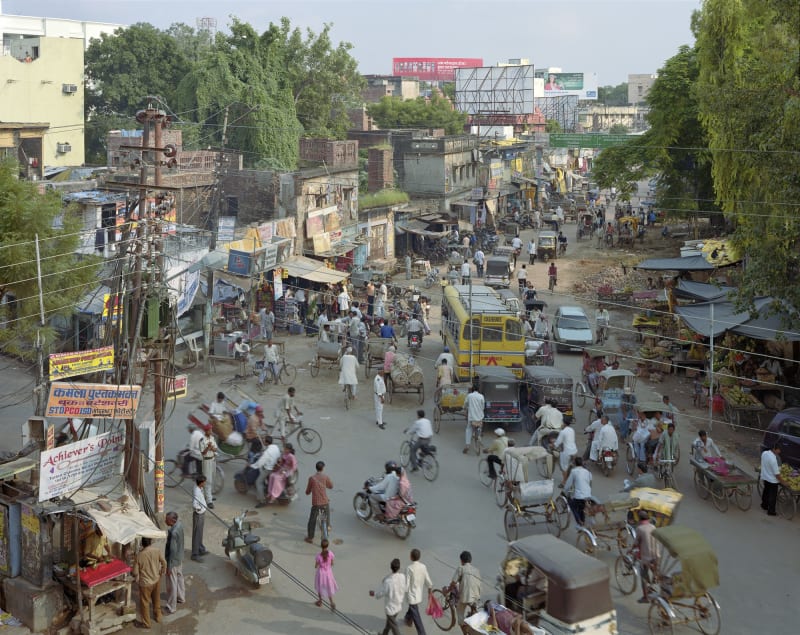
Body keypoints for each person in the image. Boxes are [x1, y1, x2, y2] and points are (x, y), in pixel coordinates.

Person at [133, 537, 166, 629]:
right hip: (156, 580)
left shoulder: (139, 555)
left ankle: (146, 623)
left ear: (142, 544)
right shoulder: (157, 550)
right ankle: (158, 617)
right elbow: (164, 562)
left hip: (145, 583)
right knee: (156, 600)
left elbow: (135, 572)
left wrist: (136, 575)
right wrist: (162, 571)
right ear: (150, 542)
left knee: (145, 603)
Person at [370, 558, 407, 635]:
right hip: (398, 606)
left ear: (390, 567)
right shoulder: (402, 577)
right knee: (389, 623)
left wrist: (374, 593)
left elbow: (380, 593)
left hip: (390, 609)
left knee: (394, 627)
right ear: (399, 567)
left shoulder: (388, 582)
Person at [405, 549, 432, 634]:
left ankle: (422, 633)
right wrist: (429, 588)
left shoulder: (409, 568)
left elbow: (406, 585)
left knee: (416, 616)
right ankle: (408, 619)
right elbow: (428, 579)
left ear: (411, 557)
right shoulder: (423, 566)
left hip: (412, 595)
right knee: (412, 609)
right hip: (419, 594)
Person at [305, 461, 333, 544]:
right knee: (325, 517)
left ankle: (310, 538)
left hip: (316, 503)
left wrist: (310, 491)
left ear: (316, 468)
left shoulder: (311, 478)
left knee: (312, 521)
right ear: (323, 468)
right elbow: (331, 486)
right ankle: (327, 526)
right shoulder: (325, 477)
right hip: (325, 502)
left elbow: (307, 492)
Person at [450, 550, 481, 625]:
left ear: (461, 560)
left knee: (459, 611)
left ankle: (463, 626)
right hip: (476, 596)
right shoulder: (476, 570)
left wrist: (447, 590)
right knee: (473, 608)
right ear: (470, 560)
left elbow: (453, 583)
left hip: (466, 597)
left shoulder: (461, 568)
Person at [633, 511, 658, 603]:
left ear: (639, 519)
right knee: (654, 571)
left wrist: (630, 549)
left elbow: (636, 543)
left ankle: (645, 597)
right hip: (656, 555)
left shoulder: (640, 529)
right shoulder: (653, 527)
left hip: (646, 556)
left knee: (643, 576)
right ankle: (654, 580)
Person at [163, 511, 185, 615]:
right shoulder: (179, 525)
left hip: (173, 560)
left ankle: (172, 606)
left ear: (172, 520)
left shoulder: (173, 532)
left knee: (172, 583)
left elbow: (172, 550)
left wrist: (169, 567)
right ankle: (181, 597)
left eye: (166, 519)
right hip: (179, 558)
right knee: (179, 578)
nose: (165, 521)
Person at [563, 457, 593, 526]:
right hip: (588, 494)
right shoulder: (588, 472)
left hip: (579, 495)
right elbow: (590, 483)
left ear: (575, 464)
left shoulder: (574, 471)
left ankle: (579, 520)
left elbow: (568, 484)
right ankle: (583, 520)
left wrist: (564, 491)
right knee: (581, 506)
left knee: (572, 505)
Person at [760, 444, 786, 516]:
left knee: (766, 491)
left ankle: (764, 505)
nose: (779, 452)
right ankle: (771, 511)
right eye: (778, 450)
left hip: (766, 477)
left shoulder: (764, 453)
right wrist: (783, 482)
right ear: (774, 449)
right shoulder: (773, 460)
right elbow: (777, 474)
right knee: (773, 496)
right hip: (773, 480)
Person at [314, 538, 338, 610]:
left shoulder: (318, 556)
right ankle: (332, 603)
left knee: (320, 587)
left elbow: (316, 566)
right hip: (328, 573)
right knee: (328, 587)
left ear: (321, 546)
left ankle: (320, 601)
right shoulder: (330, 553)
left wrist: (319, 564)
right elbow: (332, 563)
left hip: (321, 574)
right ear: (328, 546)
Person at [463, 385, 486, 454]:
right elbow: (483, 407)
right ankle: (478, 437)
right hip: (479, 417)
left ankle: (467, 445)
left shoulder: (469, 396)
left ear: (472, 390)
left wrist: (464, 408)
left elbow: (465, 403)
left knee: (468, 429)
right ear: (478, 390)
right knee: (479, 428)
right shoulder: (481, 396)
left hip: (471, 417)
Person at [199, 426, 218, 507]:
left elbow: (216, 449)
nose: (211, 432)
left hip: (213, 460)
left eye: (211, 430)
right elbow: (202, 453)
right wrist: (208, 447)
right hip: (206, 461)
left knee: (212, 478)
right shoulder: (202, 440)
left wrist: (212, 448)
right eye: (209, 430)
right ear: (206, 431)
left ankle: (207, 496)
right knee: (208, 480)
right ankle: (209, 501)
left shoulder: (212, 438)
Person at [191, 476, 208, 562]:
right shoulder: (197, 492)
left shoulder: (199, 488)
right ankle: (195, 554)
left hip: (201, 514)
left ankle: (200, 549)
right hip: (199, 515)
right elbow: (194, 504)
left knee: (200, 533)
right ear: (201, 483)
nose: (205, 483)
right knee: (197, 534)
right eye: (204, 482)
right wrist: (200, 509)